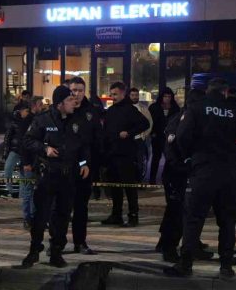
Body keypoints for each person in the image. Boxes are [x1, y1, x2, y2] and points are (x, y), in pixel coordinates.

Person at [164, 78, 236, 279]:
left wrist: (190, 159)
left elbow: (181, 137)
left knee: (193, 219)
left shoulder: (197, 109)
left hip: (203, 171)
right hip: (229, 173)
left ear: (209, 91)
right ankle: (226, 266)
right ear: (226, 92)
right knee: (227, 221)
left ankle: (186, 264)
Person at [19, 86, 90, 268]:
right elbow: (27, 140)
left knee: (63, 216)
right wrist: (45, 149)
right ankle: (34, 251)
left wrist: (84, 163)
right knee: (41, 215)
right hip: (48, 175)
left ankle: (56, 252)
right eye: (69, 100)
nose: (74, 102)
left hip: (68, 176)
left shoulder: (77, 120)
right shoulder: (43, 120)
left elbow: (82, 145)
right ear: (60, 104)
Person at [156, 89, 213, 263]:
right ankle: (168, 247)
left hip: (187, 173)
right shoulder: (179, 121)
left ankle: (189, 244)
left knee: (187, 212)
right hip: (177, 174)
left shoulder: (193, 120)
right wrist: (186, 165)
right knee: (176, 211)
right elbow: (171, 150)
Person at [101, 82, 149, 227]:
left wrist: (129, 133)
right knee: (115, 186)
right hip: (112, 154)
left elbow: (144, 124)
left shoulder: (130, 110)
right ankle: (116, 214)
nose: (113, 97)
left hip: (126, 154)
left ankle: (133, 215)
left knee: (129, 186)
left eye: (115, 94)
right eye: (111, 94)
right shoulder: (111, 111)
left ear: (123, 93)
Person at [67, 77, 102, 255]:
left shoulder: (91, 112)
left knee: (81, 208)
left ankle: (80, 242)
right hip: (64, 167)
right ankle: (56, 243)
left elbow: (97, 140)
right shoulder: (63, 110)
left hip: (85, 167)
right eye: (74, 90)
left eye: (80, 90)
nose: (77, 94)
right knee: (61, 207)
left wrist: (94, 163)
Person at [19, 96, 45, 228]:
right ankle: (27, 218)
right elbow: (23, 145)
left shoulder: (36, 120)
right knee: (28, 191)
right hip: (29, 163)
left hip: (35, 161)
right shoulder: (27, 122)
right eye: (40, 105)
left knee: (34, 191)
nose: (42, 107)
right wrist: (26, 163)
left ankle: (34, 217)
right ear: (34, 106)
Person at [148, 87, 181, 184]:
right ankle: (152, 179)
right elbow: (150, 121)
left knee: (169, 158)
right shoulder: (154, 107)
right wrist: (152, 133)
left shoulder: (175, 108)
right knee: (156, 158)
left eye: (169, 96)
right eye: (165, 96)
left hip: (169, 137)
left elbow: (178, 122)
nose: (167, 98)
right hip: (157, 136)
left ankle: (166, 177)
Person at [2, 102, 31, 200]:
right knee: (8, 169)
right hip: (15, 150)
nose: (27, 112)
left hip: (25, 151)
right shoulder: (14, 122)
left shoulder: (30, 121)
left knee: (24, 173)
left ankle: (22, 194)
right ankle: (9, 190)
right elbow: (7, 138)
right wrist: (6, 152)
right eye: (25, 111)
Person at [129, 88, 154, 182]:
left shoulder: (144, 109)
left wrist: (145, 134)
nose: (135, 97)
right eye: (133, 95)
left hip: (140, 139)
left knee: (140, 162)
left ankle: (139, 181)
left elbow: (150, 123)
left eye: (136, 95)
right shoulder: (125, 108)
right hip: (128, 140)